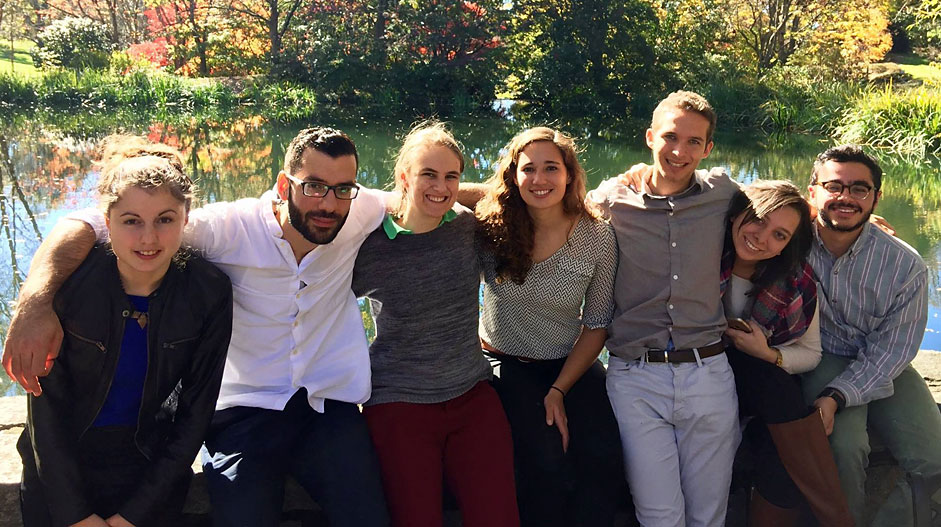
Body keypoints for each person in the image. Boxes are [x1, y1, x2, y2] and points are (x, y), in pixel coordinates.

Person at [4, 127, 391, 527]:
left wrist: (454, 192)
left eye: (342, 188)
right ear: (283, 184)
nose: (328, 202)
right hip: (245, 415)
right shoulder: (224, 229)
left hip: (325, 407)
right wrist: (34, 303)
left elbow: (425, 197)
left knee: (368, 516)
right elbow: (93, 221)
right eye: (313, 186)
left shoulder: (356, 211)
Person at [17, 136, 233, 527]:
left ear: (186, 217)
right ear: (106, 219)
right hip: (61, 468)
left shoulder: (209, 292)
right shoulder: (70, 288)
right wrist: (77, 516)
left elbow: (194, 415)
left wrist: (130, 517)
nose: (148, 239)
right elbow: (44, 415)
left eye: (165, 220)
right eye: (131, 221)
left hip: (149, 467)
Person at [351, 122, 519, 527]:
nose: (440, 187)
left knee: (499, 517)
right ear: (405, 177)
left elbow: (509, 198)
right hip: (398, 402)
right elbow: (319, 301)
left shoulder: (468, 227)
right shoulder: (369, 244)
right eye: (428, 174)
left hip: (471, 394)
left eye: (451, 176)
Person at [587, 90, 741, 527]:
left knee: (709, 516)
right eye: (671, 137)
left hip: (708, 372)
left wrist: (844, 215)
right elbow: (540, 197)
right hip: (637, 377)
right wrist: (419, 199)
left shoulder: (723, 192)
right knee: (659, 515)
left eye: (694, 142)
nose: (680, 151)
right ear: (651, 137)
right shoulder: (613, 199)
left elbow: (781, 210)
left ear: (708, 149)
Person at [474, 126, 625, 527]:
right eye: (528, 169)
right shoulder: (490, 227)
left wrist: (559, 389)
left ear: (570, 175)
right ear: (513, 176)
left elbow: (596, 325)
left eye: (551, 168)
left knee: (604, 454)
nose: (539, 180)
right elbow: (437, 198)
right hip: (505, 362)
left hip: (569, 362)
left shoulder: (596, 234)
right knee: (544, 457)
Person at [800, 145, 941, 527]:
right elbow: (744, 201)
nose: (845, 197)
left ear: (877, 198)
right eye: (834, 186)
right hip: (822, 355)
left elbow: (894, 351)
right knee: (845, 447)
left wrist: (838, 394)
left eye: (859, 189)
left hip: (883, 365)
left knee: (934, 458)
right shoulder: (787, 241)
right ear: (812, 192)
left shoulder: (905, 264)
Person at [721, 180, 853, 526]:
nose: (763, 238)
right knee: (775, 389)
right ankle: (837, 518)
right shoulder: (700, 260)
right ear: (737, 214)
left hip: (761, 381)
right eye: (759, 220)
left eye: (780, 236)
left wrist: (768, 353)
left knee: (777, 453)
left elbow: (810, 354)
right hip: (701, 372)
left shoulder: (794, 280)